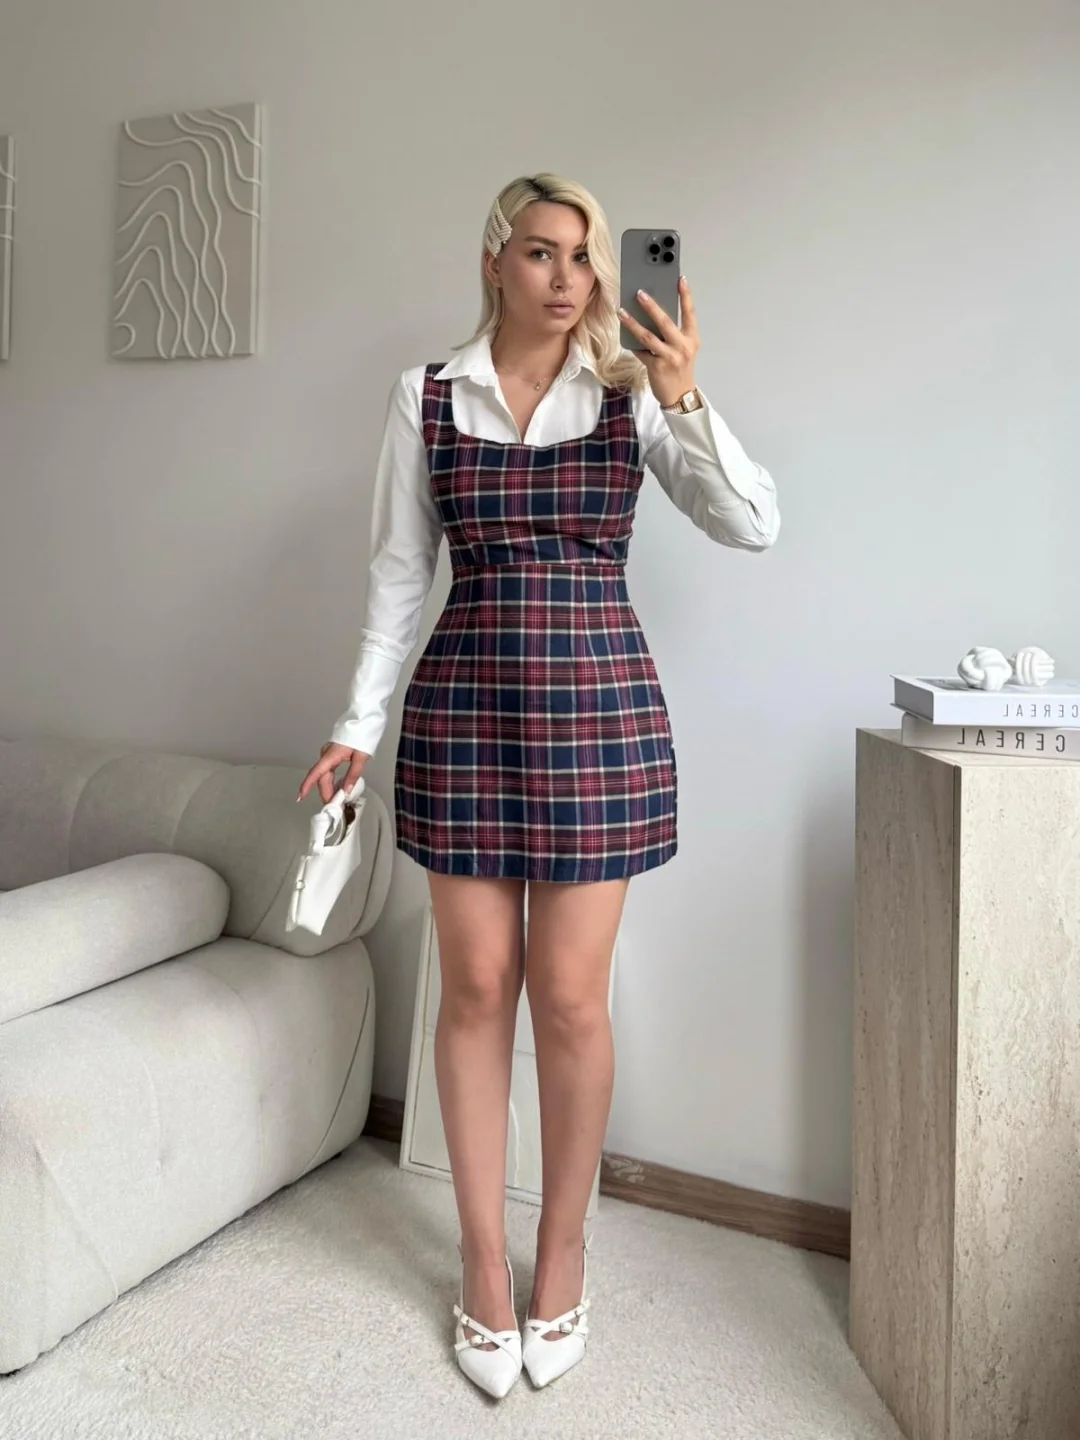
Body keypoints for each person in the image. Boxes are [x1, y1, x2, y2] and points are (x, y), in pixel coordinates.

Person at [298, 173, 779, 1398]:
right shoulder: (426, 395)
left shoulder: (631, 394)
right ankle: (482, 1262)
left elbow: (752, 524)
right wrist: (357, 726)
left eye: (586, 256)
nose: (569, 278)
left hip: (599, 713)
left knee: (568, 1002)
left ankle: (562, 1252)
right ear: (493, 263)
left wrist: (687, 394)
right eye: (541, 252)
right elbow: (399, 577)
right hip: (465, 710)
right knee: (474, 991)